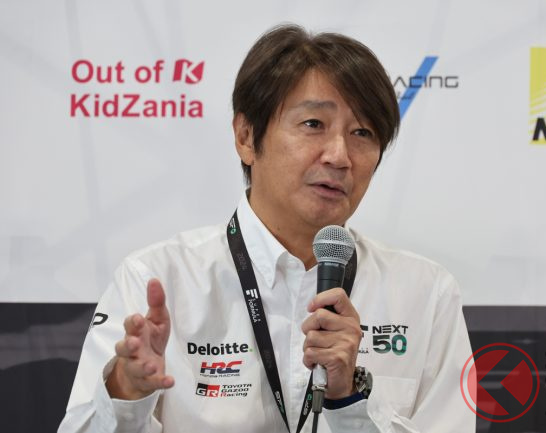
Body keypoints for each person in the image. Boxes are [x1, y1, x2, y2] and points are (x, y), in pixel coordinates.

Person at [59, 24, 475, 433]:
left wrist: (349, 399)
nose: (339, 155)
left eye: (362, 133)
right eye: (313, 124)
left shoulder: (425, 294)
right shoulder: (157, 280)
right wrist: (126, 392)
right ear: (246, 136)